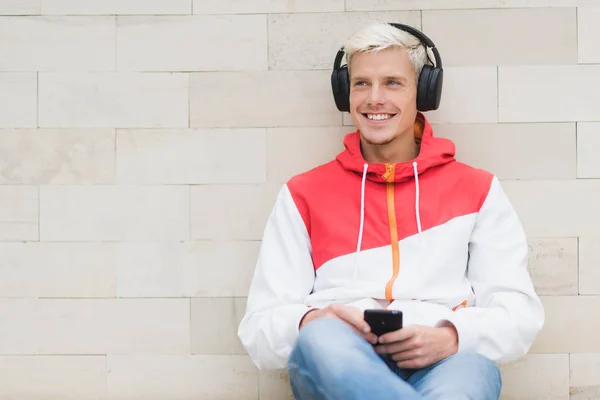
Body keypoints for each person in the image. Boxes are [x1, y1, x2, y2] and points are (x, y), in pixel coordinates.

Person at [238, 21, 544, 399]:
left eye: (393, 83)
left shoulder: (478, 190)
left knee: (473, 371)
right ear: (344, 94)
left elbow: (519, 315)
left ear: (424, 92)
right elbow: (259, 328)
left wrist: (452, 336)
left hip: (447, 362)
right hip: (339, 359)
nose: (374, 99)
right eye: (361, 83)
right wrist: (313, 321)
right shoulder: (303, 193)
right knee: (318, 340)